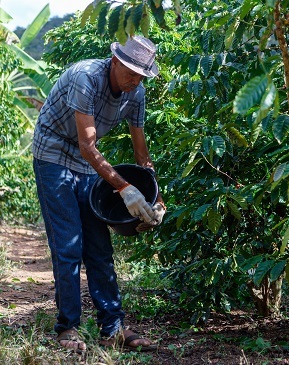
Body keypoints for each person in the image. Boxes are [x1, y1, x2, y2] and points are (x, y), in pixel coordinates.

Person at [32, 35, 165, 353]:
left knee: (99, 247)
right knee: (68, 246)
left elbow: (142, 155)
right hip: (52, 152)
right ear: (116, 61)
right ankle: (68, 328)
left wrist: (156, 198)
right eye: (131, 73)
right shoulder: (86, 76)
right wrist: (123, 187)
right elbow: (88, 145)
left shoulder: (137, 93)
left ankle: (114, 329)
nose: (134, 82)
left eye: (141, 76)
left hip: (86, 160)